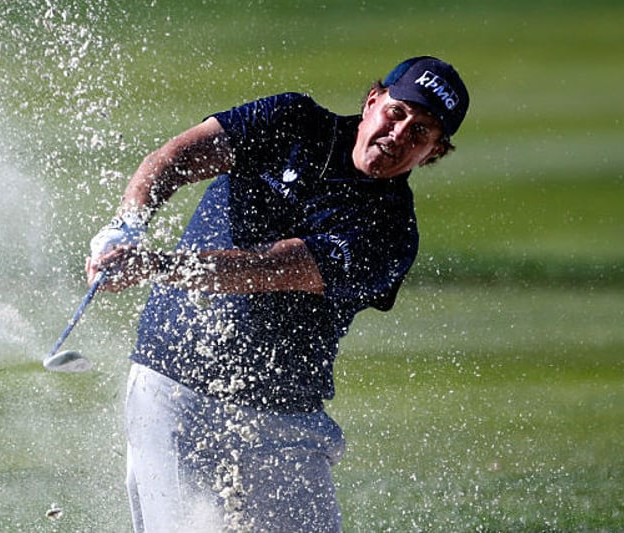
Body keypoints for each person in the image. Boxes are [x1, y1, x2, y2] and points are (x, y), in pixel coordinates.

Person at [85, 56, 469, 533]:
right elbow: (180, 157)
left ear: (432, 153)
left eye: (421, 132)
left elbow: (270, 268)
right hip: (176, 389)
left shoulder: (390, 232)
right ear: (372, 102)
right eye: (397, 113)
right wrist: (127, 226)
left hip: (285, 418)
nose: (399, 133)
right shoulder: (290, 120)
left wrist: (158, 266)